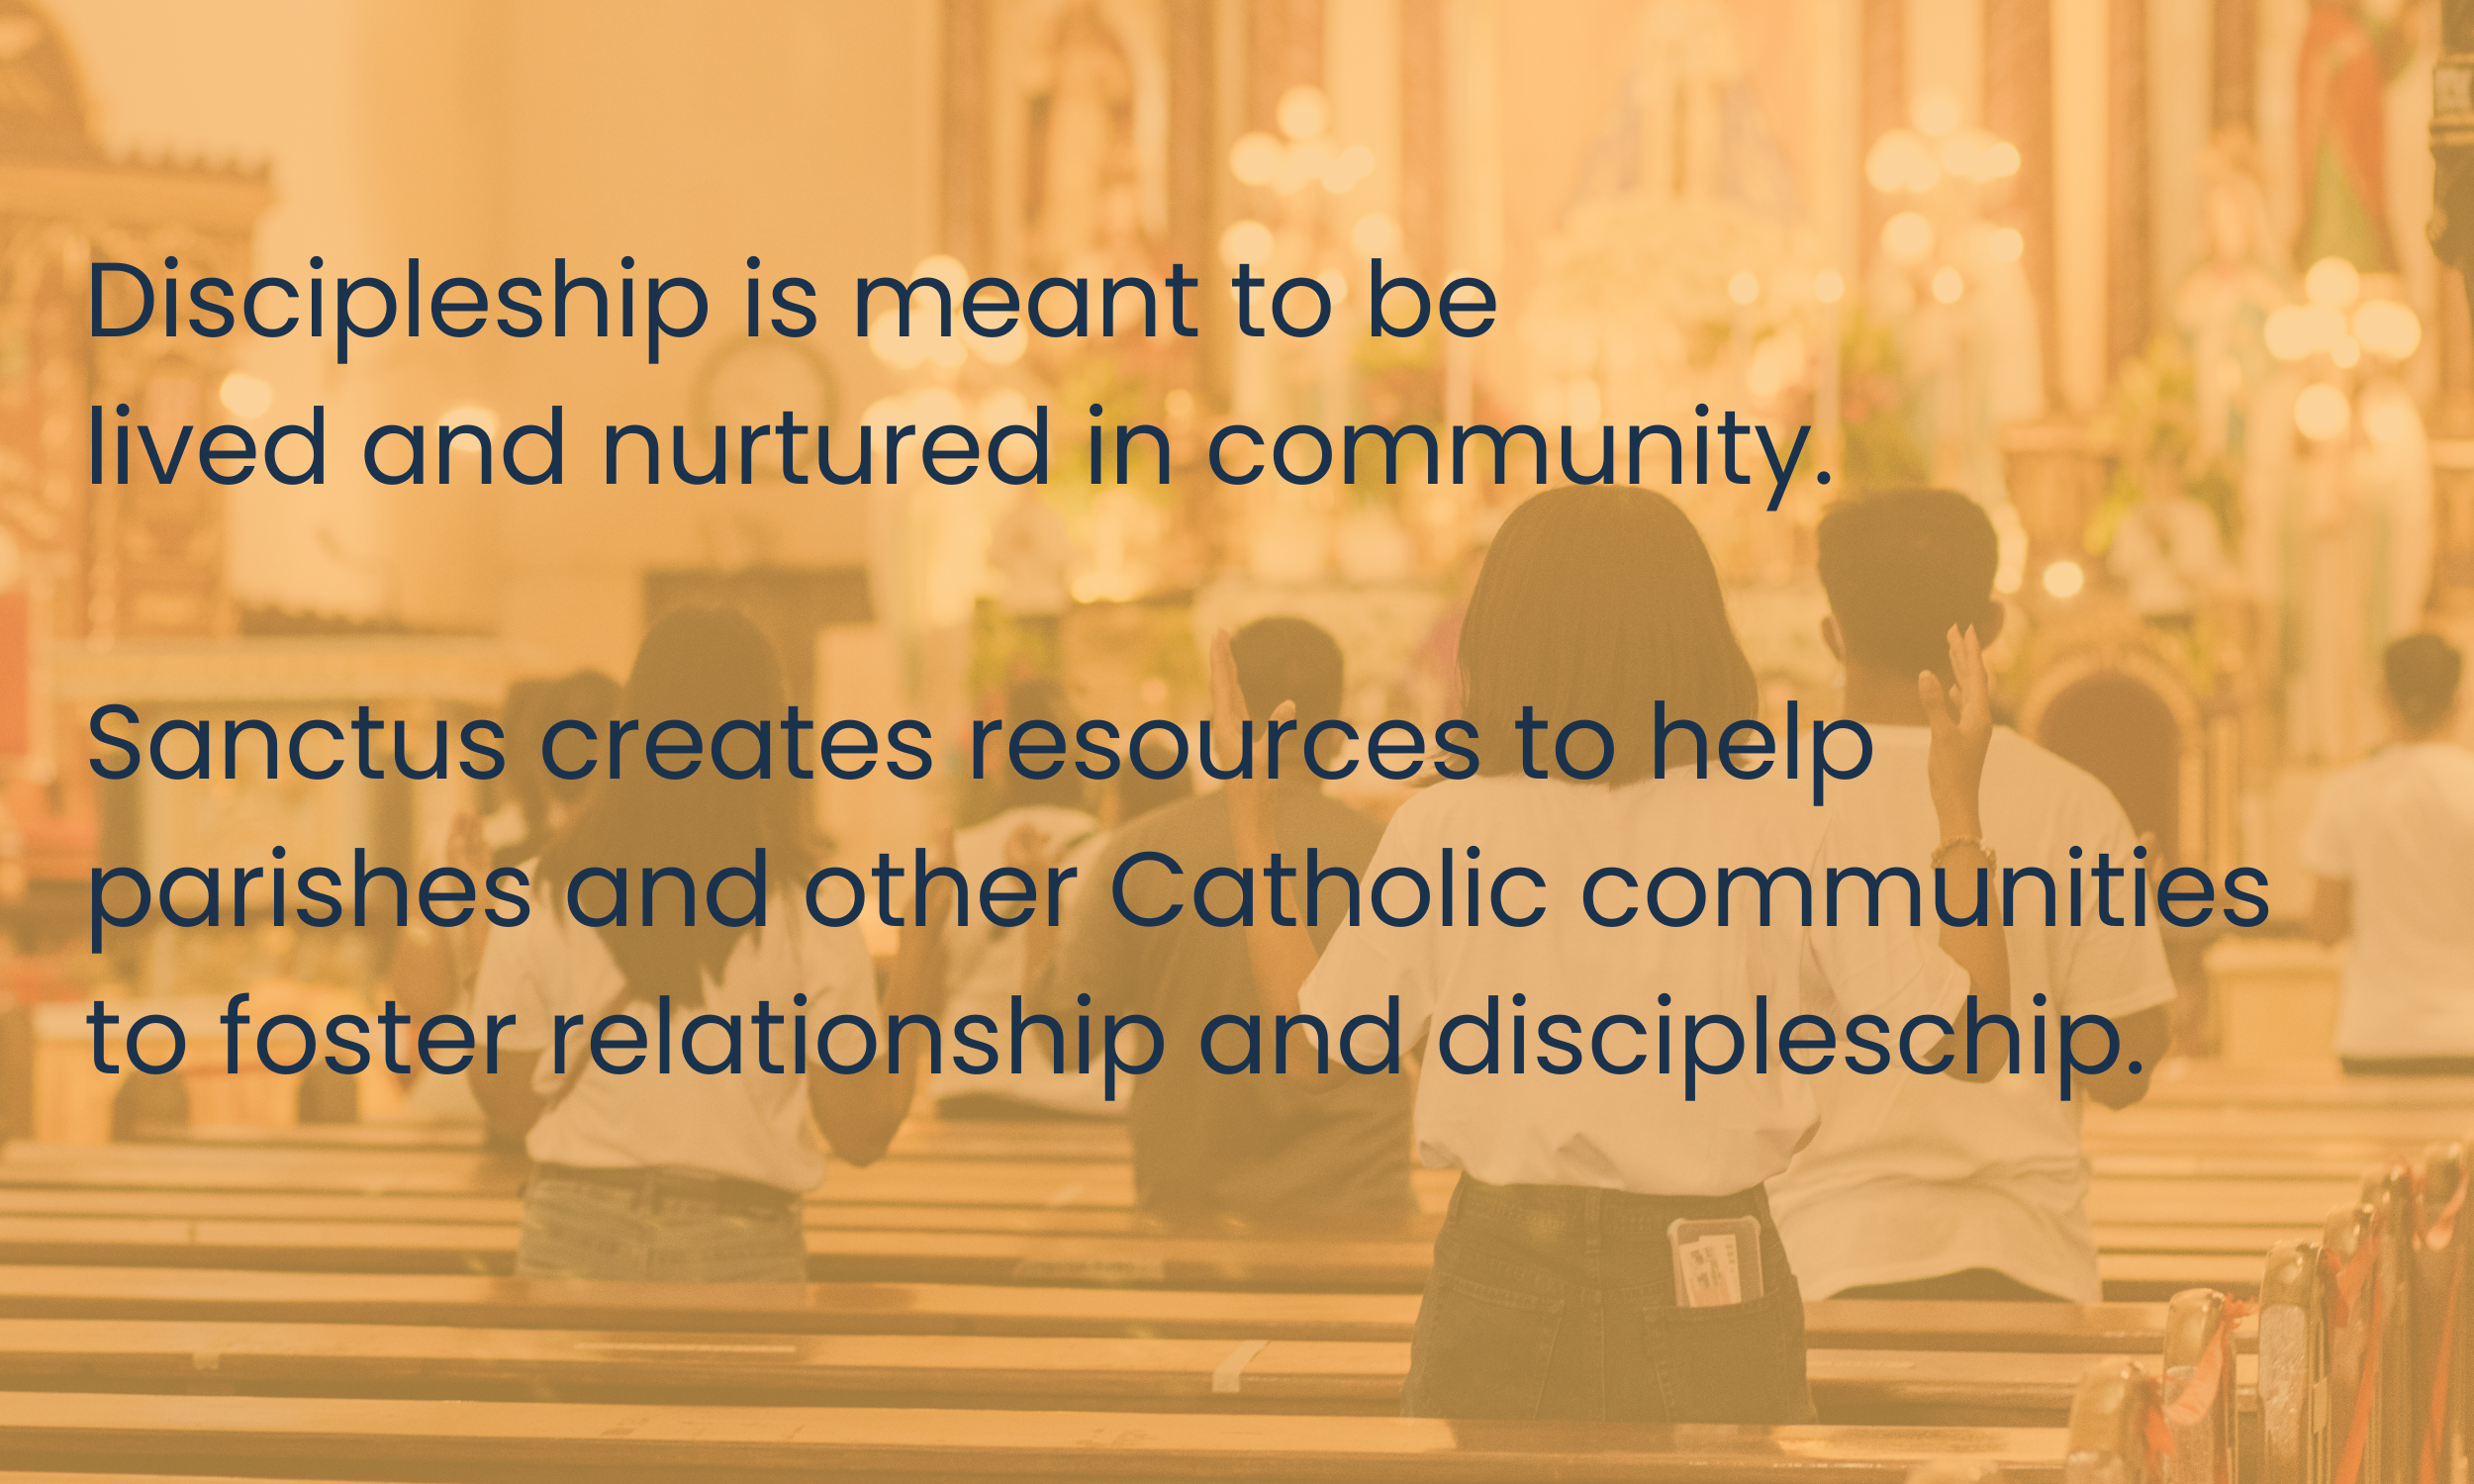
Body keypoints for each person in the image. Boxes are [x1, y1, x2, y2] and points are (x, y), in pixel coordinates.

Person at [1209, 486, 2006, 1424]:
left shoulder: (1446, 824)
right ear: (1701, 633)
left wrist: (1252, 818)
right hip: (1712, 1266)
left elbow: (1311, 1054)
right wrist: (1957, 805)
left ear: (1500, 637)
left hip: (1503, 1263)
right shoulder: (1785, 820)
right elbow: (1973, 1044)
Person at [1767, 489, 2175, 1306]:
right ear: (1989, 627)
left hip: (1820, 1258)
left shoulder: (1763, 799)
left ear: (1830, 633)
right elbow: (2124, 1071)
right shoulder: (2073, 803)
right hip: (2028, 1258)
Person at [472, 607, 946, 1282]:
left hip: (571, 1232)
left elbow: (508, 1102)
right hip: (737, 1244)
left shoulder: (541, 890)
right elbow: (861, 1131)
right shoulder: (809, 900)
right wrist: (921, 947)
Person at [1035, 617, 1412, 1229]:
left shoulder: (1139, 854)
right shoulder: (1394, 854)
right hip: (1359, 1210)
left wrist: (1037, 928)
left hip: (1190, 1216)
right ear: (1340, 737)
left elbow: (1067, 1041)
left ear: (1221, 729)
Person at [926, 679, 1113, 1120]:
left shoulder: (954, 855)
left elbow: (925, 996)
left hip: (970, 1085)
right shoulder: (1116, 856)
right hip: (1086, 1092)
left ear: (1004, 766)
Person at [2304, 632, 2474, 1075]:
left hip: (2376, 1037)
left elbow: (2324, 927)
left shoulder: (2346, 793)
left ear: (2384, 699)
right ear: (2458, 702)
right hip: (2466, 1035)